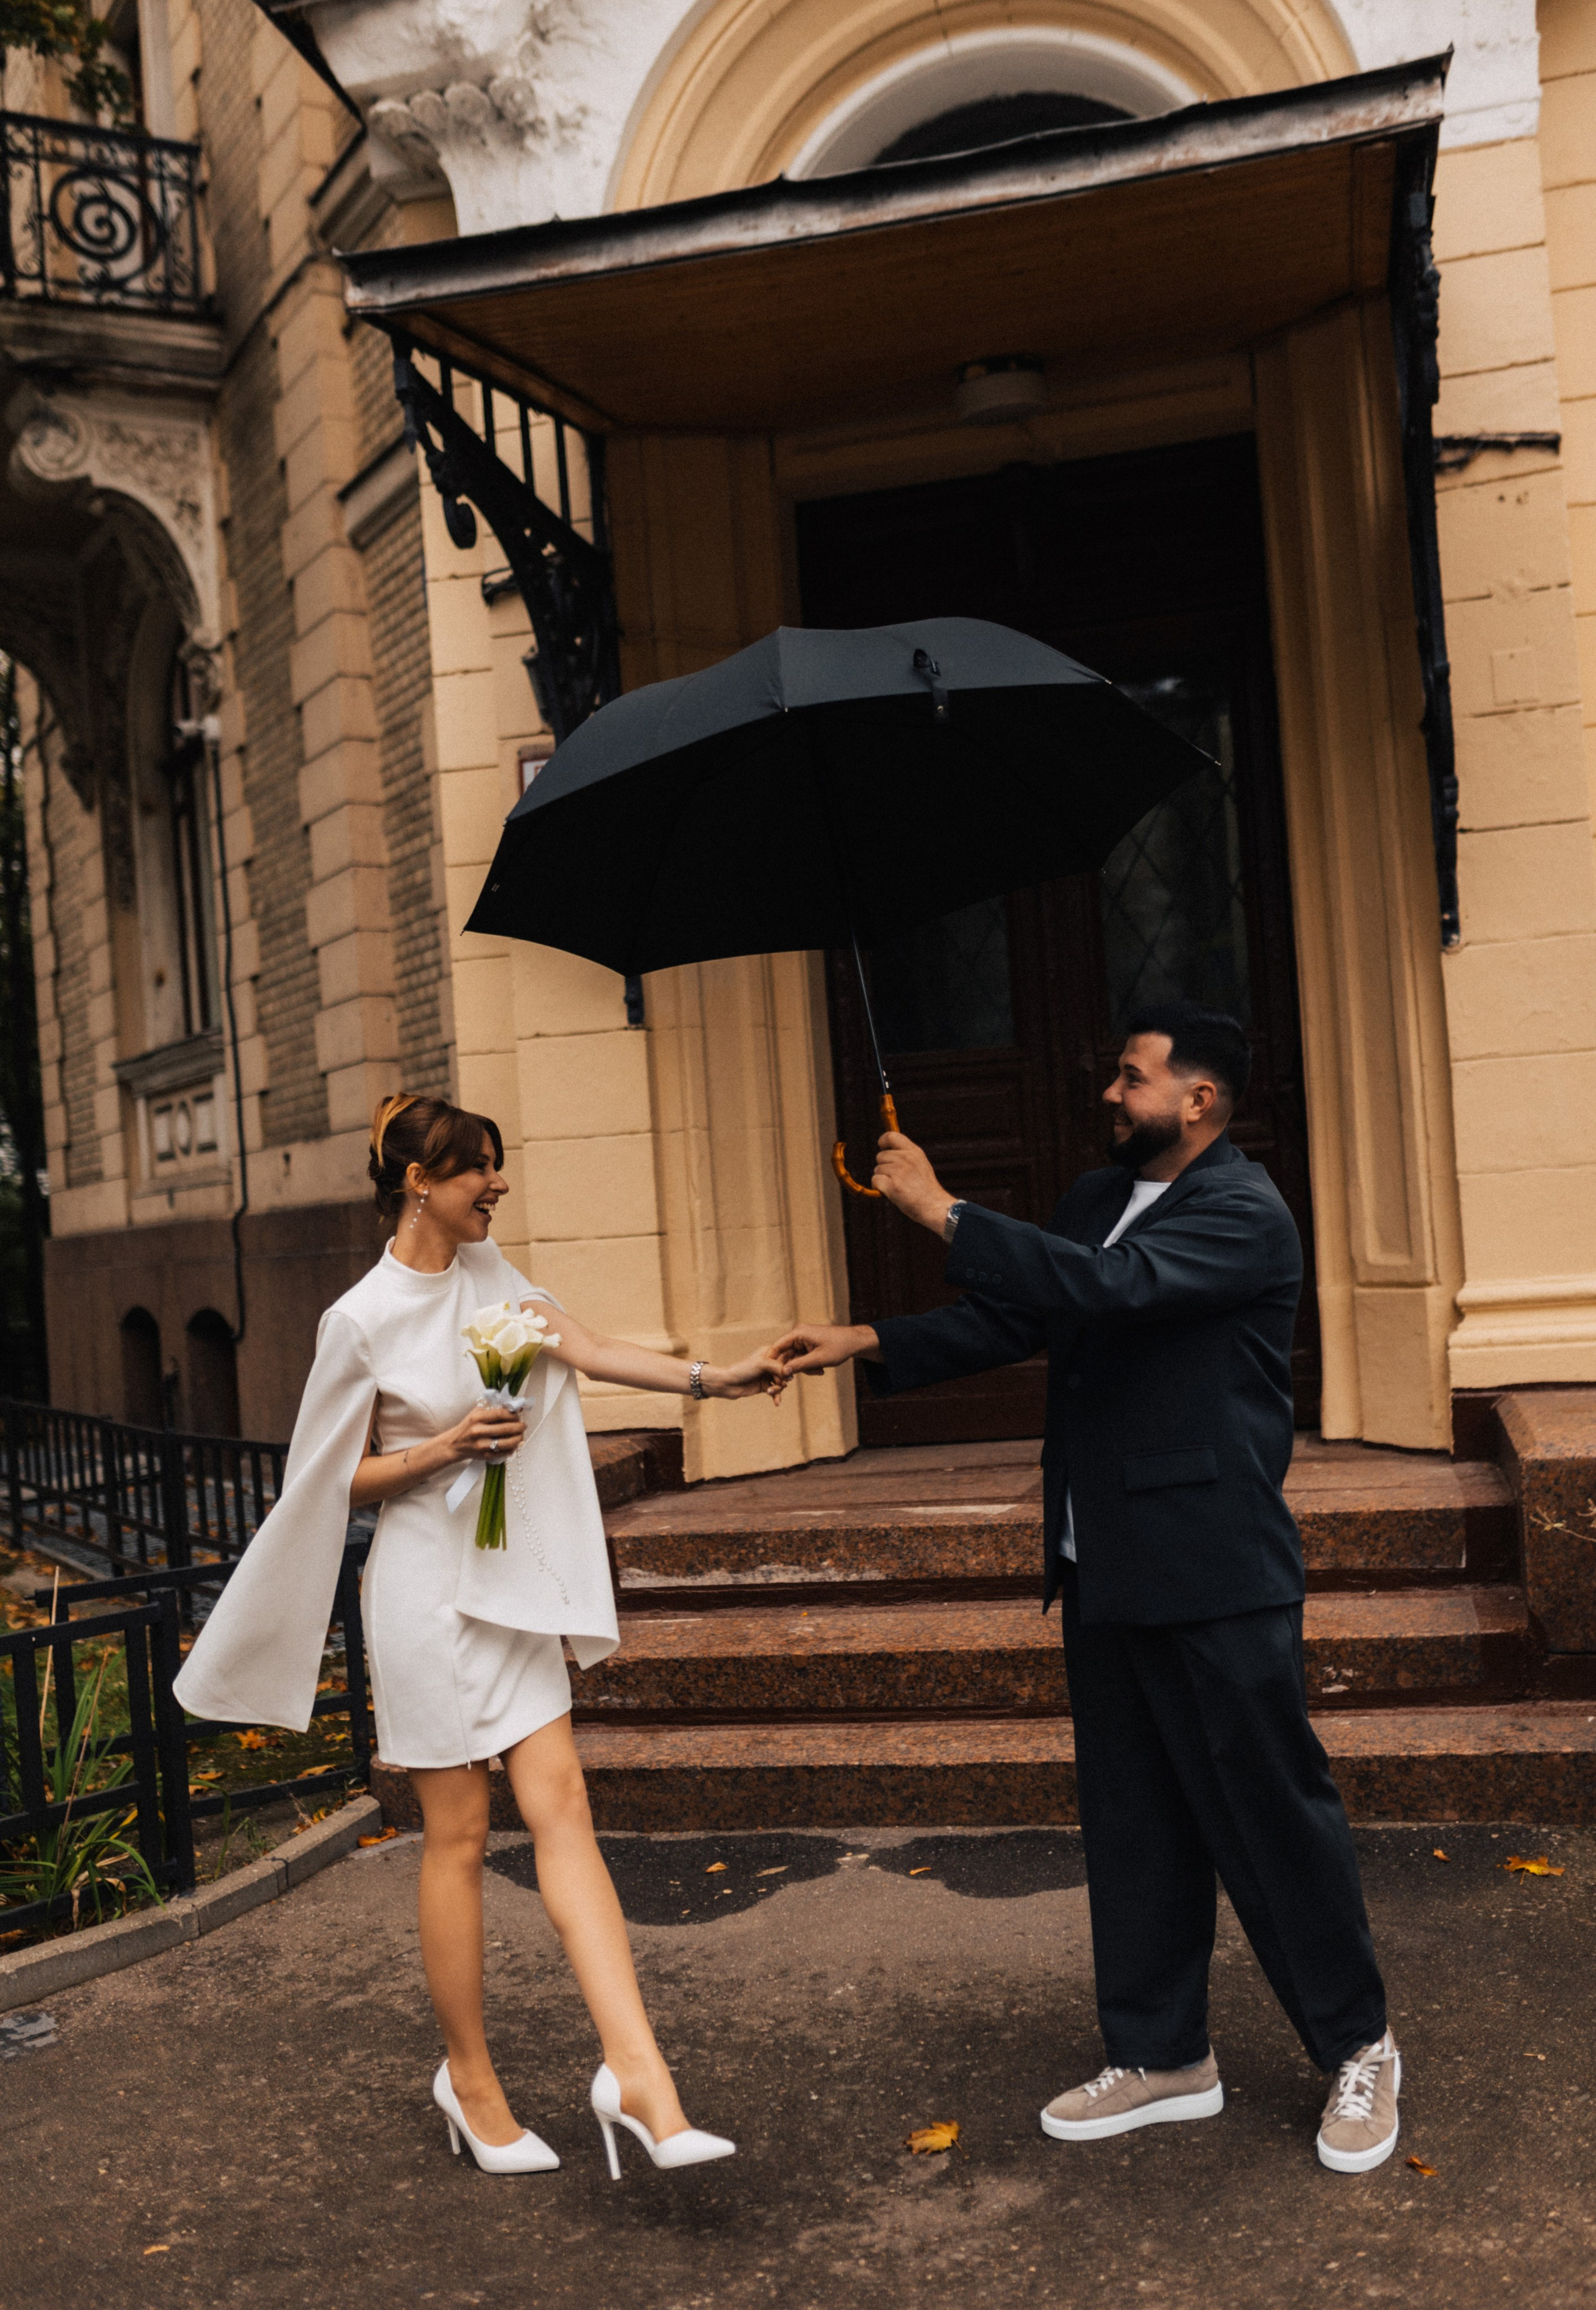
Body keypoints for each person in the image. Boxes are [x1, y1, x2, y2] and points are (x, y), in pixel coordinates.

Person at [775, 1001, 1401, 2175]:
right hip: (1103, 1555)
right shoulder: (1094, 1199)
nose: (1110, 1094)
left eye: (1132, 1077)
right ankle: (1165, 2054)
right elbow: (1023, 1311)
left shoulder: (1245, 1215)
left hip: (1214, 1565)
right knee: (1135, 1819)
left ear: (1199, 1100)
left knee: (1271, 1817)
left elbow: (1115, 1291)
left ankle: (1358, 2042)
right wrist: (865, 1339)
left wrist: (942, 1209)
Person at [176, 1092, 786, 2180]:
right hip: (424, 1597)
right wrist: (447, 1448)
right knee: (458, 1836)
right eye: (478, 1170)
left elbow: (587, 1347)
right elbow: (325, 1482)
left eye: (498, 1167)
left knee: (565, 1805)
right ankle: (469, 2079)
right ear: (420, 1181)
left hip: (508, 1584)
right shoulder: (358, 1318)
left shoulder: (495, 1274)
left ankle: (640, 2075)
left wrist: (714, 1378)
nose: (496, 1185)